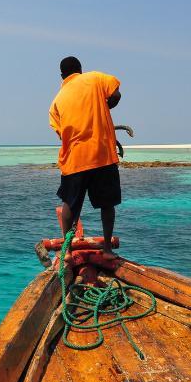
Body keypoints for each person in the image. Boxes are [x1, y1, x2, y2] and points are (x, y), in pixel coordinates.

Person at [49, 56, 122, 261]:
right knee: (107, 204)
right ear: (80, 69)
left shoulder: (57, 100)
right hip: (102, 154)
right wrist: (104, 108)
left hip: (74, 159)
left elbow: (61, 133)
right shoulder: (95, 78)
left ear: (62, 75)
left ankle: (68, 253)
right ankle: (107, 250)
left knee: (69, 205)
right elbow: (116, 93)